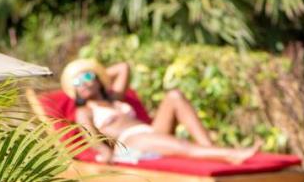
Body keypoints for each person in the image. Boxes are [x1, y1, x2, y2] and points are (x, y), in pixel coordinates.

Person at [61, 58, 260, 165]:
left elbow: (123, 67)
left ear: (97, 79)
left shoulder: (115, 97)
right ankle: (231, 154)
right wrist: (106, 154)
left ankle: (210, 149)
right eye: (77, 82)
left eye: (87, 76)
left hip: (150, 131)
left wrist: (100, 74)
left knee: (174, 96)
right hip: (130, 141)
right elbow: (91, 137)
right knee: (182, 145)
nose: (84, 83)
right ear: (74, 89)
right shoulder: (84, 111)